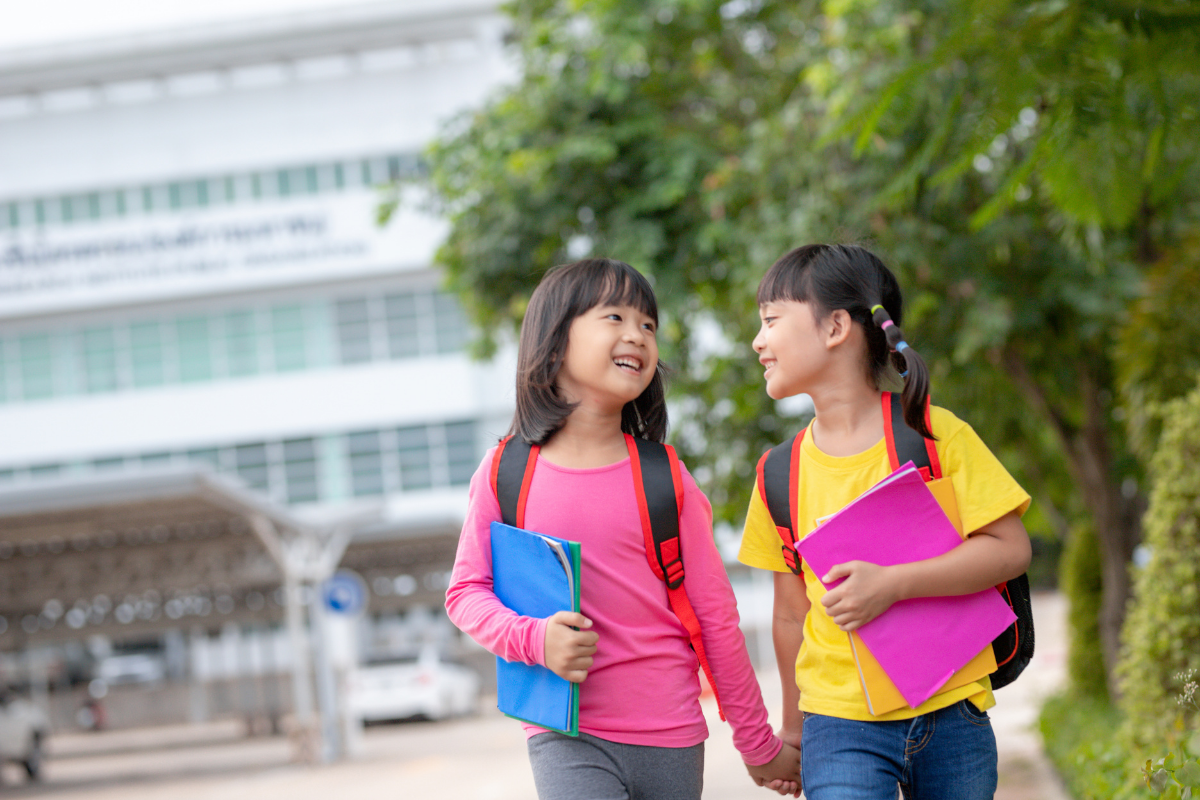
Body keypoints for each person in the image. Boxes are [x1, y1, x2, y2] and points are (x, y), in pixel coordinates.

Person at [446, 258, 802, 800]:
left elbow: (715, 618)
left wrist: (756, 744)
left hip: (672, 735)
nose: (637, 335)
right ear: (555, 338)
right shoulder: (504, 471)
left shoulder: (665, 476)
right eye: (614, 317)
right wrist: (535, 639)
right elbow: (466, 593)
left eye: (648, 325)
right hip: (565, 732)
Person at [738, 244, 1033, 800]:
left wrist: (893, 585)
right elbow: (788, 615)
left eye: (771, 320)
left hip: (953, 709)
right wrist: (794, 736)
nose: (758, 340)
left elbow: (1010, 549)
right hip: (839, 722)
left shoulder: (934, 435)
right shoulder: (779, 473)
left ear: (835, 328)